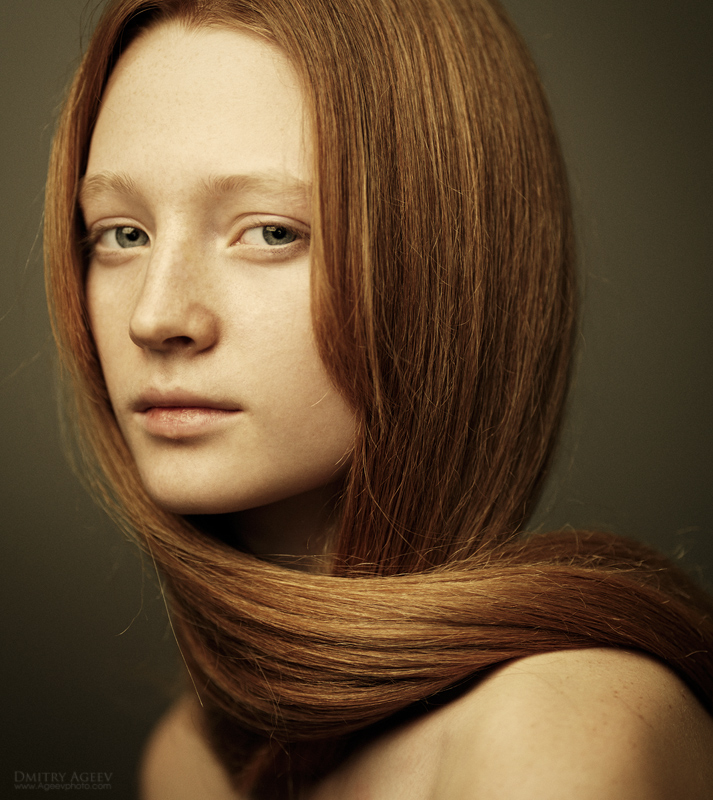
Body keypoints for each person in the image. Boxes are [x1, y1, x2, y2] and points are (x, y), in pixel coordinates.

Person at [44, 0, 713, 797]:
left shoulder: (555, 729)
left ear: (447, 265)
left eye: (271, 232)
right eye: (123, 234)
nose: (157, 317)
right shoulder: (188, 762)